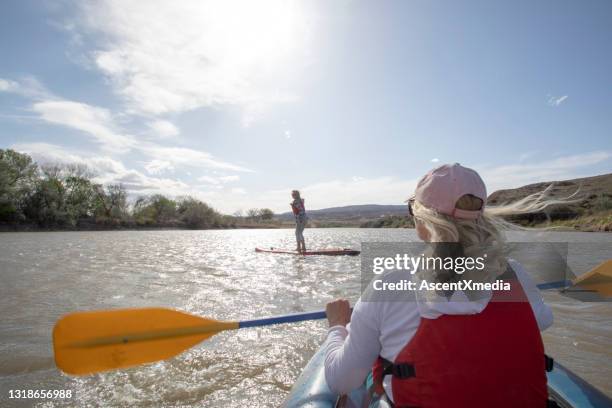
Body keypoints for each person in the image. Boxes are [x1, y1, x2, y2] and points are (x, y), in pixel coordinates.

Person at [324, 163, 555, 408]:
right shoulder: (515, 274)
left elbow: (341, 382)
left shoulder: (389, 285)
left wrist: (337, 326)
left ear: (423, 219)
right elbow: (543, 320)